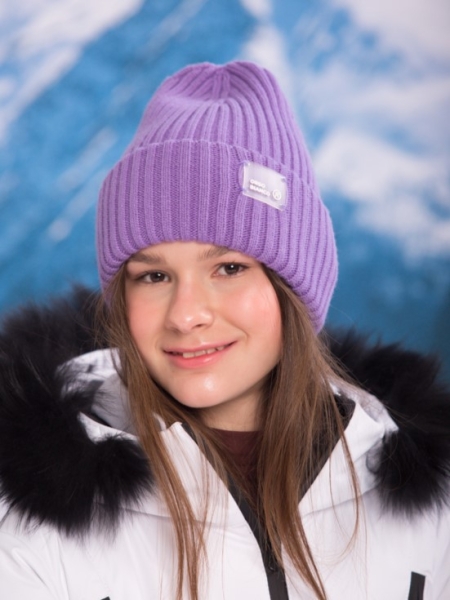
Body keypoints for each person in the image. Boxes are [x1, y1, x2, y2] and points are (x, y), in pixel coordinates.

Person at [0, 61, 449, 600]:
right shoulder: (32, 515)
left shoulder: (428, 507)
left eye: (229, 268)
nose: (186, 314)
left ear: (294, 288)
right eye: (154, 276)